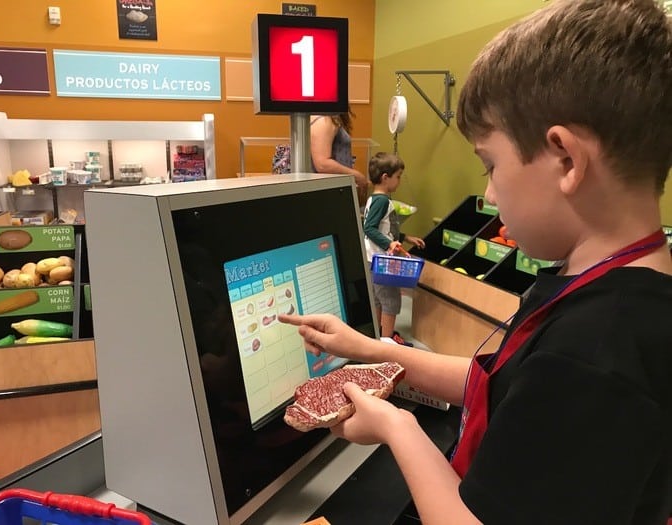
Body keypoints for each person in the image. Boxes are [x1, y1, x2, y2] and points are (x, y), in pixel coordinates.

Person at [280, 0, 672, 523]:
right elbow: (505, 383)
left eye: (491, 165)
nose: (487, 194)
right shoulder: (613, 291)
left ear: (566, 160)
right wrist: (369, 348)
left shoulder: (597, 352)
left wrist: (398, 429)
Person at [363, 152, 425, 346]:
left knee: (378, 299)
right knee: (390, 300)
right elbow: (370, 228)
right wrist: (389, 244)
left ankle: (380, 335)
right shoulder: (382, 201)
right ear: (385, 177)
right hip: (382, 261)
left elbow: (386, 228)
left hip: (372, 259)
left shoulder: (373, 199)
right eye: (398, 176)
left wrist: (405, 238)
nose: (399, 181)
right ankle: (388, 342)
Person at [310, 111, 368, 205]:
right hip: (326, 193)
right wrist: (356, 176)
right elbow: (322, 164)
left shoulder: (330, 118)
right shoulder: (324, 120)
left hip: (335, 190)